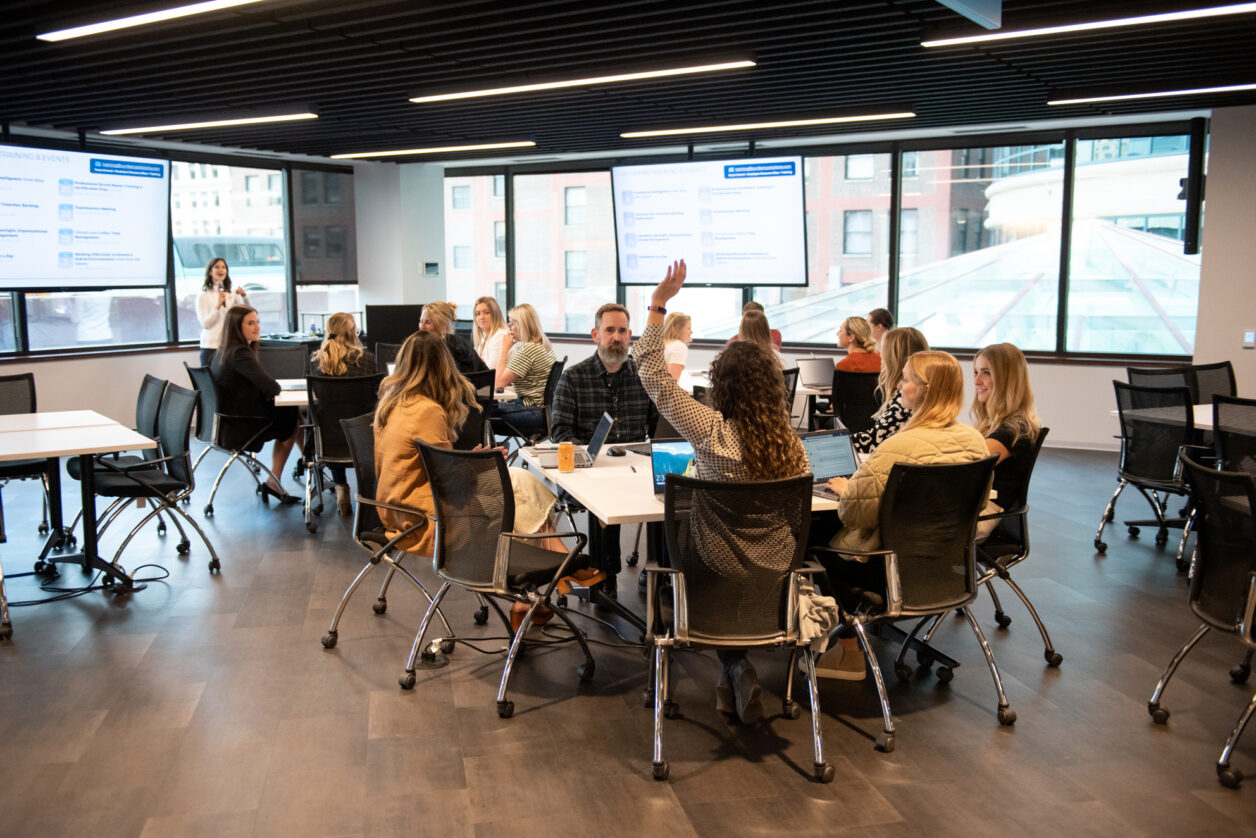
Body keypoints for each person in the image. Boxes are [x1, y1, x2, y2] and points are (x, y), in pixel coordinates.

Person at [636, 259, 809, 726]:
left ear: (722, 387)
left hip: (713, 565)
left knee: (705, 569)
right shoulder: (792, 447)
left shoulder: (711, 430)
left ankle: (732, 667)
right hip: (777, 570)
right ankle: (733, 671)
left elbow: (652, 375)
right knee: (752, 577)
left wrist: (658, 305)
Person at [815, 350, 989, 679]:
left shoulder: (900, 446)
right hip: (946, 570)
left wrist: (846, 490)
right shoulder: (975, 442)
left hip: (886, 571)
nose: (899, 385)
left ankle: (849, 652)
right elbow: (976, 506)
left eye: (906, 379)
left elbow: (854, 514)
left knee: (814, 542)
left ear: (924, 389)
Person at [374, 331, 561, 619]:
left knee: (514, 483)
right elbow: (449, 485)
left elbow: (428, 468)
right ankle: (558, 567)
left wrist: (471, 461)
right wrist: (480, 466)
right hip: (429, 518)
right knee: (515, 487)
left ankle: (536, 589)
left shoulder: (392, 404)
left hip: (396, 508)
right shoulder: (428, 411)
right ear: (443, 366)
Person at [550, 302, 659, 593]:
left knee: (667, 492)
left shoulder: (644, 377)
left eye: (622, 331)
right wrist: (588, 452)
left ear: (630, 335)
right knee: (605, 501)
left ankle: (659, 572)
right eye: (609, 330)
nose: (616, 337)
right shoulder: (573, 378)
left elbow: (659, 425)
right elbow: (560, 433)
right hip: (591, 471)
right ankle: (604, 574)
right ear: (594, 335)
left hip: (635, 466)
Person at [211, 305, 302, 504]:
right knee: (292, 417)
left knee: (293, 416)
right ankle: (278, 478)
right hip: (242, 426)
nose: (257, 327)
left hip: (227, 424)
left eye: (258, 322)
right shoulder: (240, 353)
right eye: (250, 323)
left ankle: (306, 462)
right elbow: (272, 387)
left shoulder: (224, 352)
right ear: (237, 327)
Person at [970, 342, 1042, 537]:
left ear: (1007, 379)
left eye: (986, 373)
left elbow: (966, 468)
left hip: (981, 517)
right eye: (976, 372)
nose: (977, 381)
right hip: (975, 510)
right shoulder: (1000, 424)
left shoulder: (1013, 430)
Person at [310, 312, 377, 515]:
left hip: (329, 440)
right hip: (362, 437)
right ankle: (368, 493)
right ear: (353, 332)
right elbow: (380, 393)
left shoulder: (317, 362)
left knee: (333, 420)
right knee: (353, 421)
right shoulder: (366, 360)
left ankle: (341, 488)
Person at [850, 326, 929, 455]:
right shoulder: (919, 392)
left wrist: (834, 441)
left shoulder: (906, 398)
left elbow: (871, 443)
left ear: (892, 359)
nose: (880, 355)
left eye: (883, 351)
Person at [491, 303, 556, 440]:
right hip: (544, 412)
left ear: (522, 325)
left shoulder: (528, 350)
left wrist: (505, 349)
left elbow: (498, 383)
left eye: (512, 324)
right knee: (488, 409)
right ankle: (496, 450)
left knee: (481, 414)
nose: (510, 328)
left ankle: (491, 454)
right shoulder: (543, 346)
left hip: (533, 412)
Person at [196, 258, 249, 367]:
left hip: (229, 346)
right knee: (211, 382)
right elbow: (206, 324)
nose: (221, 270)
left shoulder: (231, 293)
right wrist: (218, 305)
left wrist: (244, 296)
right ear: (210, 271)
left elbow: (246, 313)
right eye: (217, 267)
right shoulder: (203, 295)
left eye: (223, 267)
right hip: (211, 347)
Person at [418, 301, 486, 375]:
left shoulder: (451, 347)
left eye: (428, 322)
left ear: (442, 324)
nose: (422, 327)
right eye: (421, 321)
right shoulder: (424, 345)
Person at [472, 296, 510, 368]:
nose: (481, 317)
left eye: (486, 313)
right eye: (478, 314)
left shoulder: (500, 336)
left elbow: (490, 371)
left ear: (495, 314)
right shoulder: (484, 337)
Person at [662, 311, 692, 380]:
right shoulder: (678, 346)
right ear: (677, 329)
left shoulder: (664, 344)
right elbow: (671, 382)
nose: (691, 332)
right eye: (688, 328)